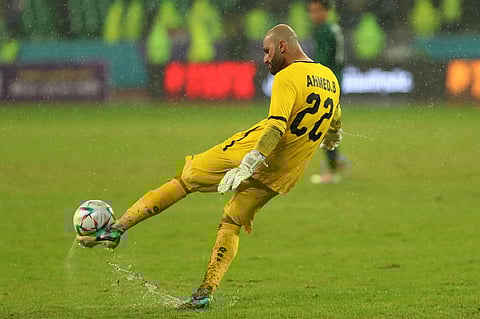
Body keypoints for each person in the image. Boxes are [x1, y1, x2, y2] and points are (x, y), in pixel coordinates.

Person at [76, 24, 343, 309]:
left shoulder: (288, 76)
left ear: (282, 47)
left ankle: (117, 228)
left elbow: (276, 125)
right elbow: (336, 119)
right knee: (232, 221)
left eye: (266, 51)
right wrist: (331, 137)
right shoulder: (329, 78)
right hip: (284, 172)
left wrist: (249, 162)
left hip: (253, 152)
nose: (264, 59)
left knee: (185, 179)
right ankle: (205, 291)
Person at [307, 0, 349, 184]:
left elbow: (322, 61)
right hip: (335, 80)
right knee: (328, 125)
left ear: (326, 11)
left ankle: (331, 171)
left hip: (327, 83)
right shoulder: (332, 29)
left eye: (317, 10)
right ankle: (336, 162)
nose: (314, 15)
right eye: (311, 11)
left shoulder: (324, 31)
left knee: (324, 128)